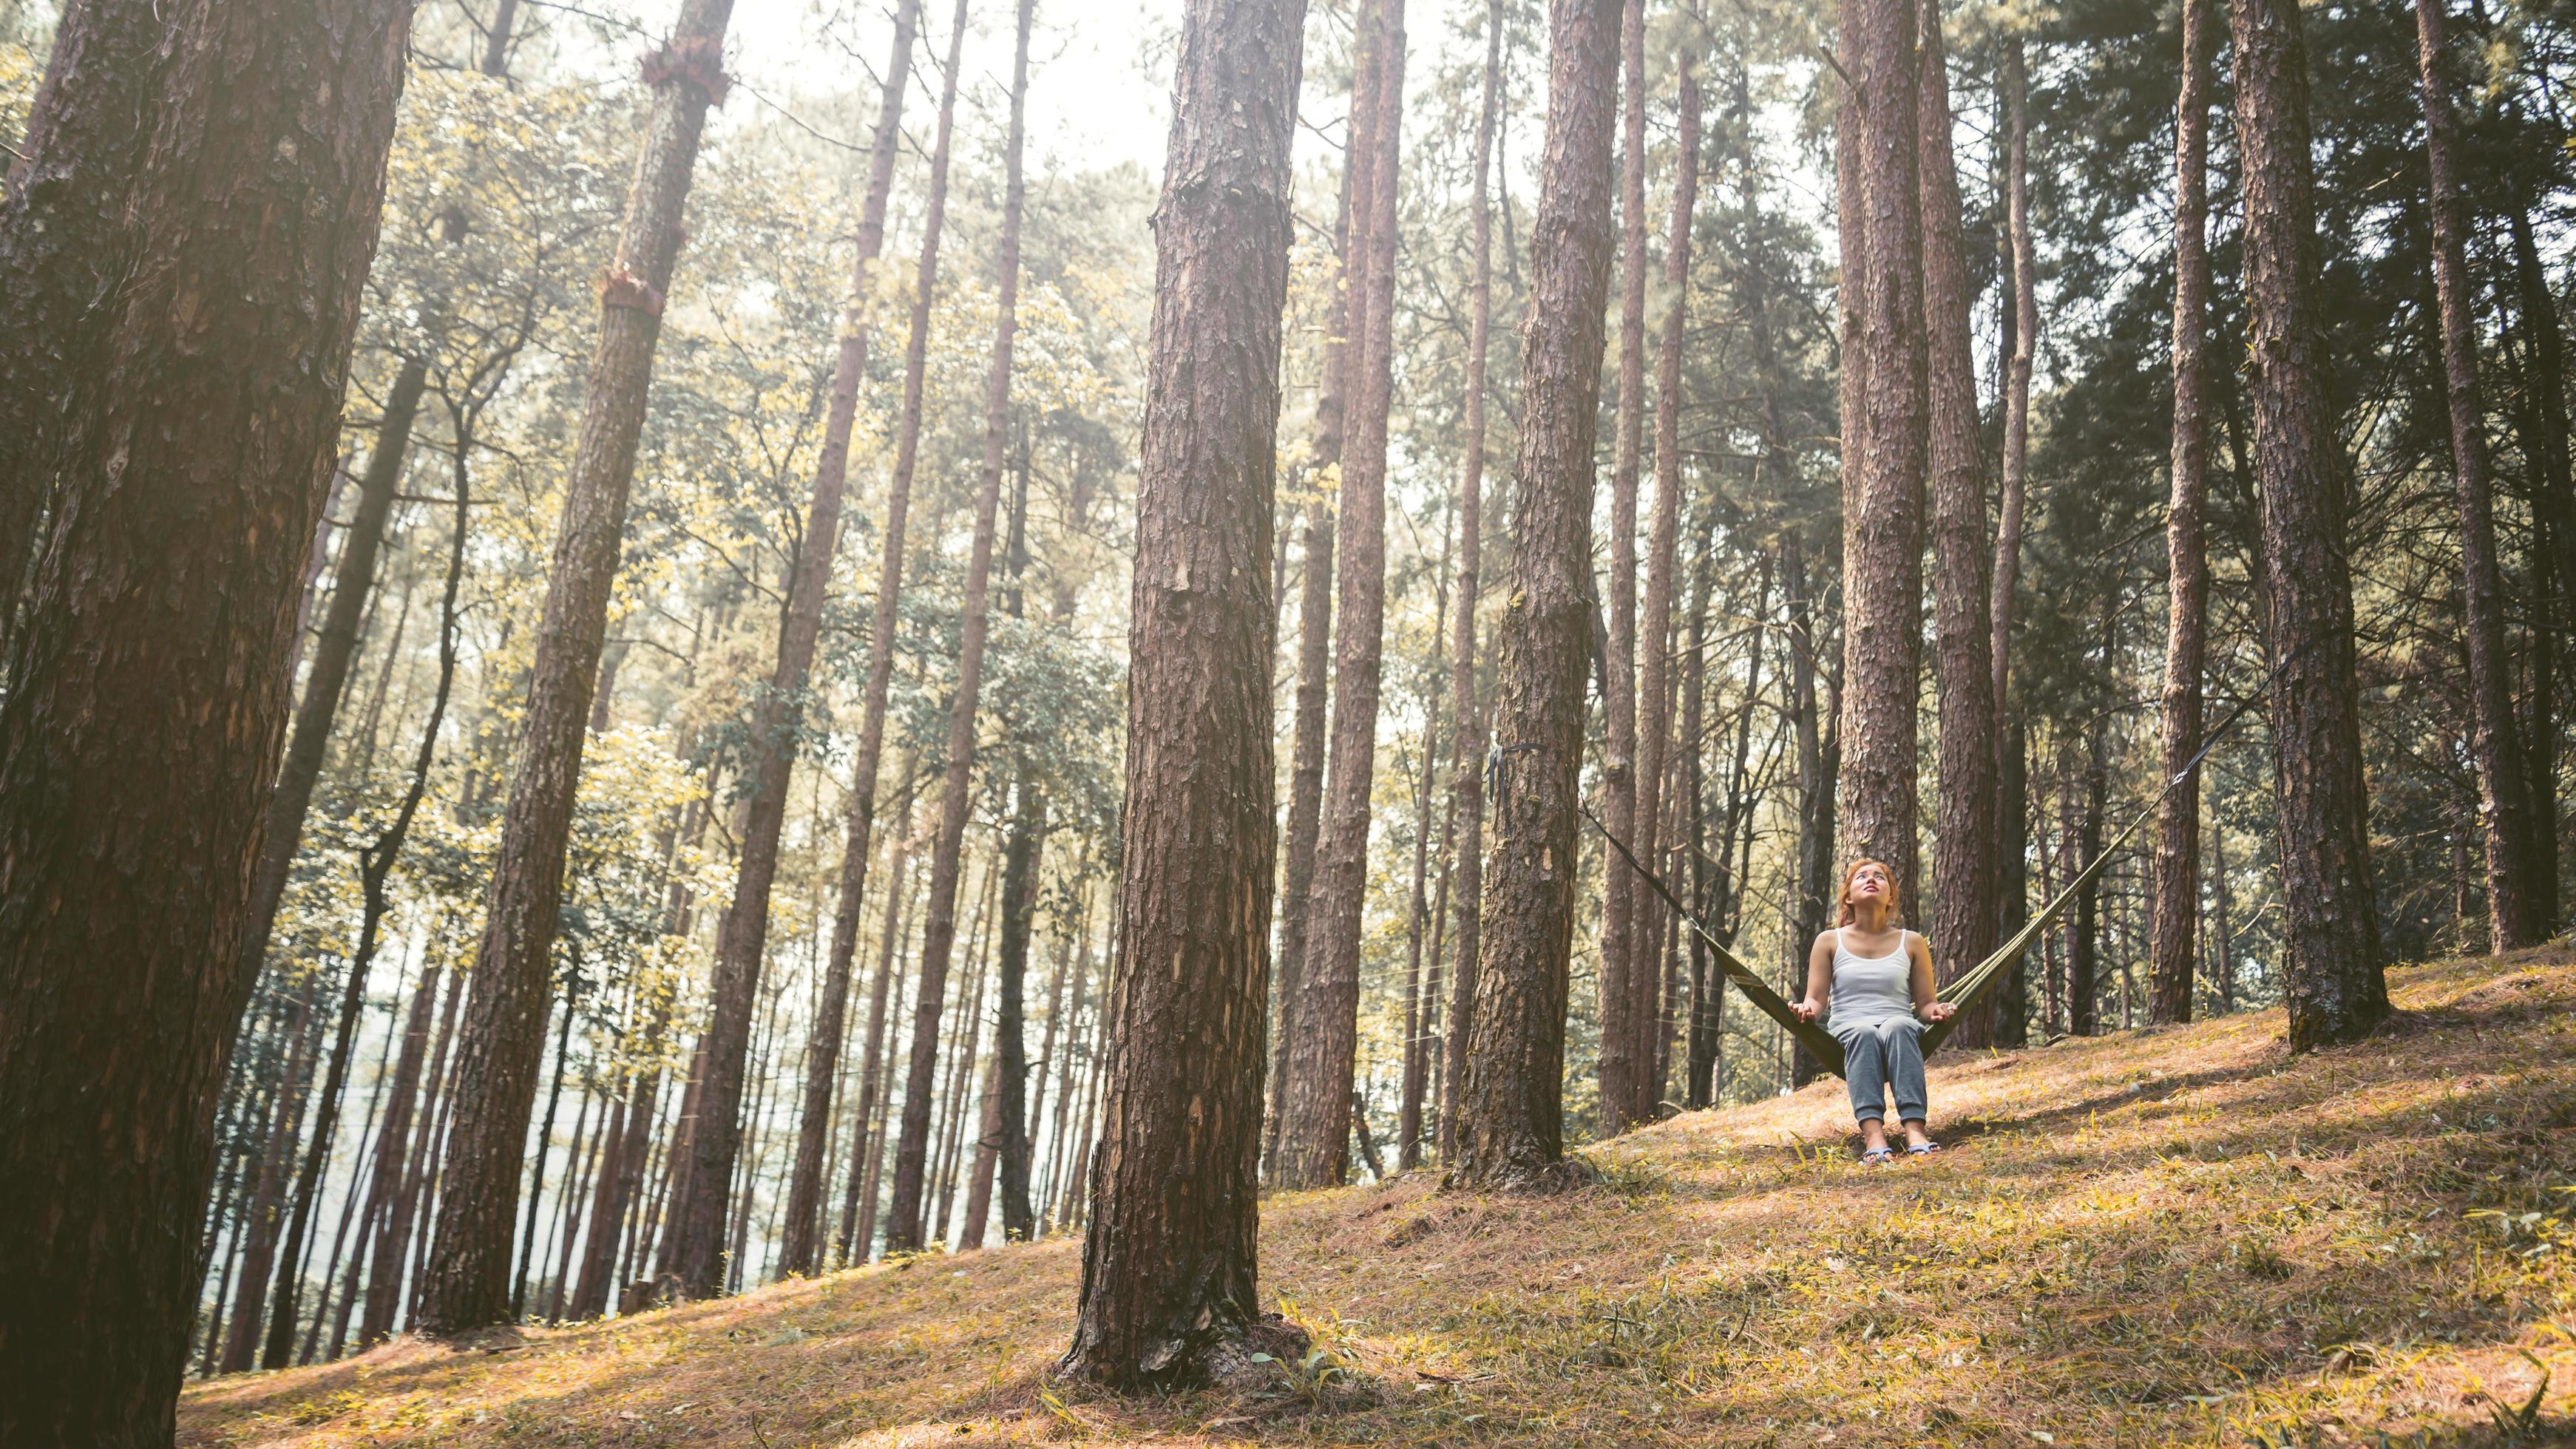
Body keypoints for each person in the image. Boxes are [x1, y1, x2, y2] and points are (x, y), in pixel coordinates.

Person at [1791, 858, 1955, 1164]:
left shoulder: (1912, 942)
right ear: (1848, 897)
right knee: (1865, 1033)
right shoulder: (1829, 941)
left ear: (1890, 897)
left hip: (1899, 1024)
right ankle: (1873, 1135)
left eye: (1880, 877)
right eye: (1861, 877)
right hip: (1849, 1028)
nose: (1871, 879)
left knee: (1899, 1027)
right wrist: (1805, 1011)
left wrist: (1937, 1011)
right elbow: (1816, 999)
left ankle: (1915, 1130)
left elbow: (1924, 1003)